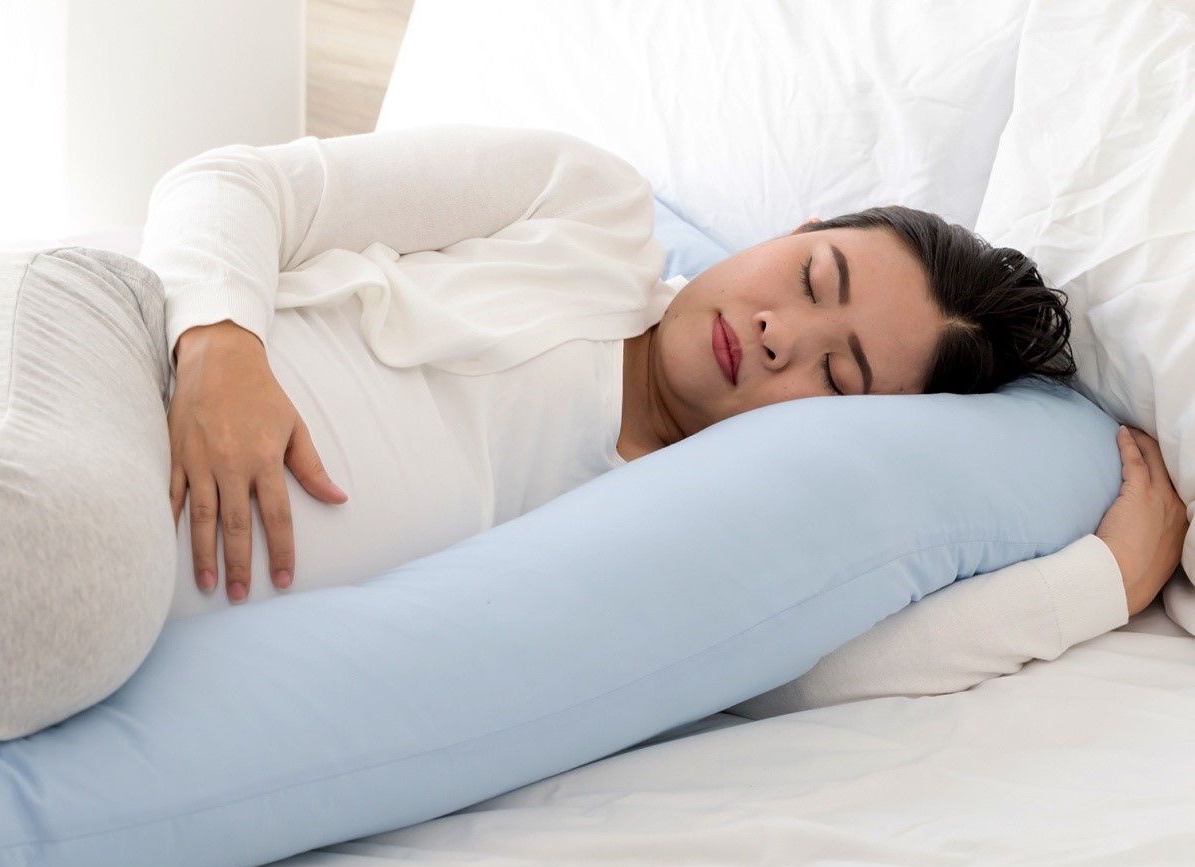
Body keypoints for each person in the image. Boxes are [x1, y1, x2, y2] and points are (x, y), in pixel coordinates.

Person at [139, 124, 1186, 646]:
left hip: (139, 585)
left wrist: (1102, 580)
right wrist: (221, 352)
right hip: (130, 369)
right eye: (810, 278)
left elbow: (820, 667)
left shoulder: (701, 528)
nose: (778, 334)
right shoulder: (589, 206)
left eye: (836, 374)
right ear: (793, 231)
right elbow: (233, 184)